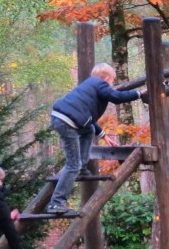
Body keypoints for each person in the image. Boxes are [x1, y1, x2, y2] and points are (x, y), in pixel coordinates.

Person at [47, 62, 141, 214]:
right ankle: (56, 203)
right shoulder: (100, 84)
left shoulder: (89, 86)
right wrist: (138, 94)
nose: (112, 85)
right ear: (106, 78)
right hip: (68, 122)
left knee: (88, 130)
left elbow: (88, 120)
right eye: (112, 81)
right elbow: (116, 97)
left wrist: (104, 135)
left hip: (63, 118)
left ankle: (82, 168)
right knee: (73, 165)